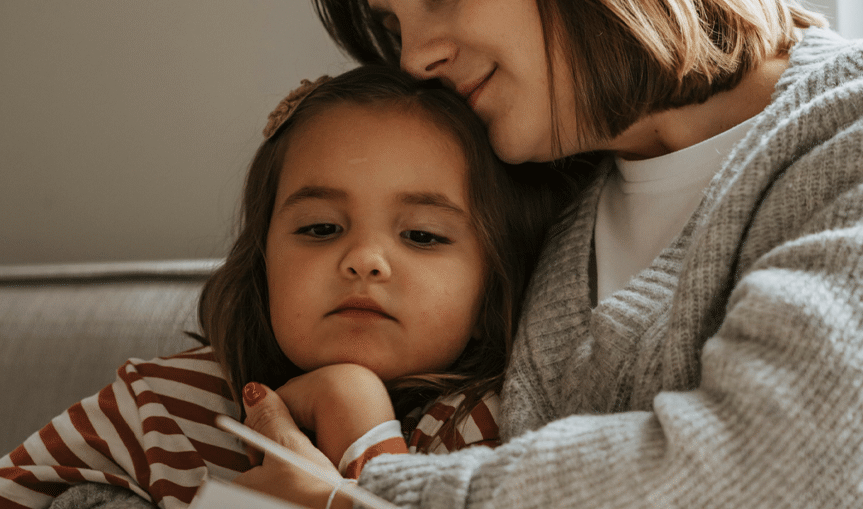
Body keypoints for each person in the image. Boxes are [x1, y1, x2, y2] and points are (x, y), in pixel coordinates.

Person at [226, 0, 863, 508]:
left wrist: (365, 503)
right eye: (390, 23)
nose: (415, 57)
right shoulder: (528, 218)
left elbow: (820, 475)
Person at [0, 65, 566, 509]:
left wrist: (357, 421)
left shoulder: (496, 427)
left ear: (494, 276)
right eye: (321, 228)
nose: (364, 260)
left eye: (421, 235)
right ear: (262, 257)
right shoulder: (160, 404)